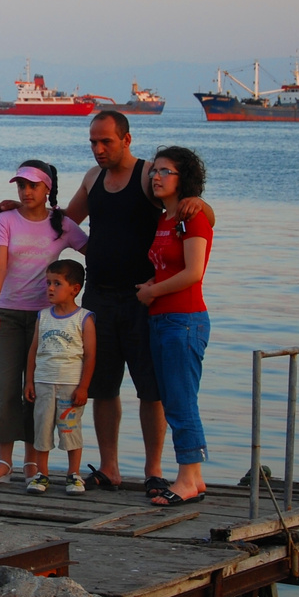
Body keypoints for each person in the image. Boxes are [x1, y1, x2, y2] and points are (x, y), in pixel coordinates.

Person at [0, 110, 212, 497]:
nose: (98, 149)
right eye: (93, 142)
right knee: (103, 387)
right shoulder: (93, 179)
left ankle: (154, 471)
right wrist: (21, 207)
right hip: (98, 296)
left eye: (106, 141)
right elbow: (58, 221)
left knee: (151, 390)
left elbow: (190, 208)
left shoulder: (149, 176)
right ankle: (110, 467)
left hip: (142, 298)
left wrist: (200, 203)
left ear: (126, 140)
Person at [0, 161, 87, 490]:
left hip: (47, 319)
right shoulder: (6, 220)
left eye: (33, 186)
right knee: (7, 387)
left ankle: (32, 462)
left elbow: (92, 252)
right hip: (9, 314)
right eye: (21, 186)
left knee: (38, 391)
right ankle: (4, 461)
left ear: (47, 189)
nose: (26, 192)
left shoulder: (63, 224)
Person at [135, 146, 213, 506]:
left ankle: (185, 476)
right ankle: (193, 479)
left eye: (166, 172)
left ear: (185, 179)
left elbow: (193, 273)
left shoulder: (191, 216)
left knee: (181, 400)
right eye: (155, 171)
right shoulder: (164, 219)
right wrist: (151, 289)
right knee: (173, 399)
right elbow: (167, 266)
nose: (157, 177)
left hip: (183, 319)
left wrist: (152, 291)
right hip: (161, 319)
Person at [23, 260, 97, 495]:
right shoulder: (43, 316)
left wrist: (84, 387)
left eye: (57, 283)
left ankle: (73, 475)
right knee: (42, 430)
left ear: (75, 288)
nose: (50, 288)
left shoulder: (84, 318)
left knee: (70, 430)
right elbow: (34, 350)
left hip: (70, 386)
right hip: (44, 384)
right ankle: (41, 474)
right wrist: (29, 381)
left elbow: (90, 355)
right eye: (48, 283)